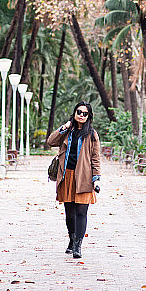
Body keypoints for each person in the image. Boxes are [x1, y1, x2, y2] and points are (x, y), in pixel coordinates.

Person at [45, 101, 101, 258]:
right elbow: (50, 141)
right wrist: (64, 127)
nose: (81, 115)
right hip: (67, 176)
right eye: (79, 112)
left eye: (85, 113)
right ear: (74, 113)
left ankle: (78, 245)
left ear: (89, 116)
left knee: (81, 212)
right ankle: (71, 238)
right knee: (69, 213)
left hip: (84, 177)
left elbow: (96, 158)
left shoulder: (92, 134)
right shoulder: (67, 131)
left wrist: (96, 179)